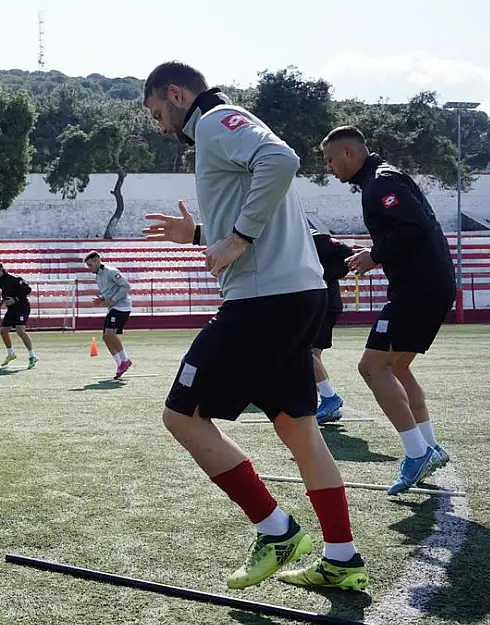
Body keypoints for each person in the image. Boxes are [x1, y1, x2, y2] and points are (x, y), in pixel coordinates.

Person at [142, 61, 367, 591]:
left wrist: (236, 238)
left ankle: (276, 529)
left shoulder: (218, 120)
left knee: (183, 418)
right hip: (298, 293)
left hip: (264, 299)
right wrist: (199, 232)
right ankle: (342, 559)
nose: (160, 126)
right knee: (298, 428)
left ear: (176, 94)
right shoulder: (226, 133)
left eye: (158, 113)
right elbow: (264, 191)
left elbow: (281, 160)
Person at [320, 125, 454, 495]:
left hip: (419, 288)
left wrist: (374, 255)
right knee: (396, 366)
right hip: (429, 284)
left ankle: (417, 451)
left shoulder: (381, 182)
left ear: (350, 153)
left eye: (331, 160)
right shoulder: (381, 180)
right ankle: (429, 446)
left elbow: (412, 226)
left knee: (371, 366)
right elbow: (408, 228)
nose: (330, 168)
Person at [310, 227, 355, 424]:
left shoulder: (315, 238)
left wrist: (327, 275)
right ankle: (326, 403)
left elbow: (345, 253)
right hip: (320, 302)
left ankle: (329, 398)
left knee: (305, 352)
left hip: (323, 302)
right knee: (313, 355)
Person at [84, 251, 133, 379]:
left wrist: (113, 299)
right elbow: (108, 291)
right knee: (106, 337)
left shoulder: (111, 272)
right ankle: (120, 364)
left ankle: (125, 360)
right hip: (113, 308)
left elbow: (126, 286)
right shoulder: (98, 275)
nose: (89, 268)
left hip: (121, 307)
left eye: (90, 265)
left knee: (110, 333)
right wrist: (101, 298)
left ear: (97, 260)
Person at [0, 260, 38, 368]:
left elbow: (27, 289)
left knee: (20, 330)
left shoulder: (15, 279)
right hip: (12, 309)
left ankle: (32, 356)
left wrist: (15, 299)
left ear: (1, 270)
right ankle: (11, 354)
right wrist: (3, 301)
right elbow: (6, 292)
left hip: (22, 307)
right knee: (3, 331)